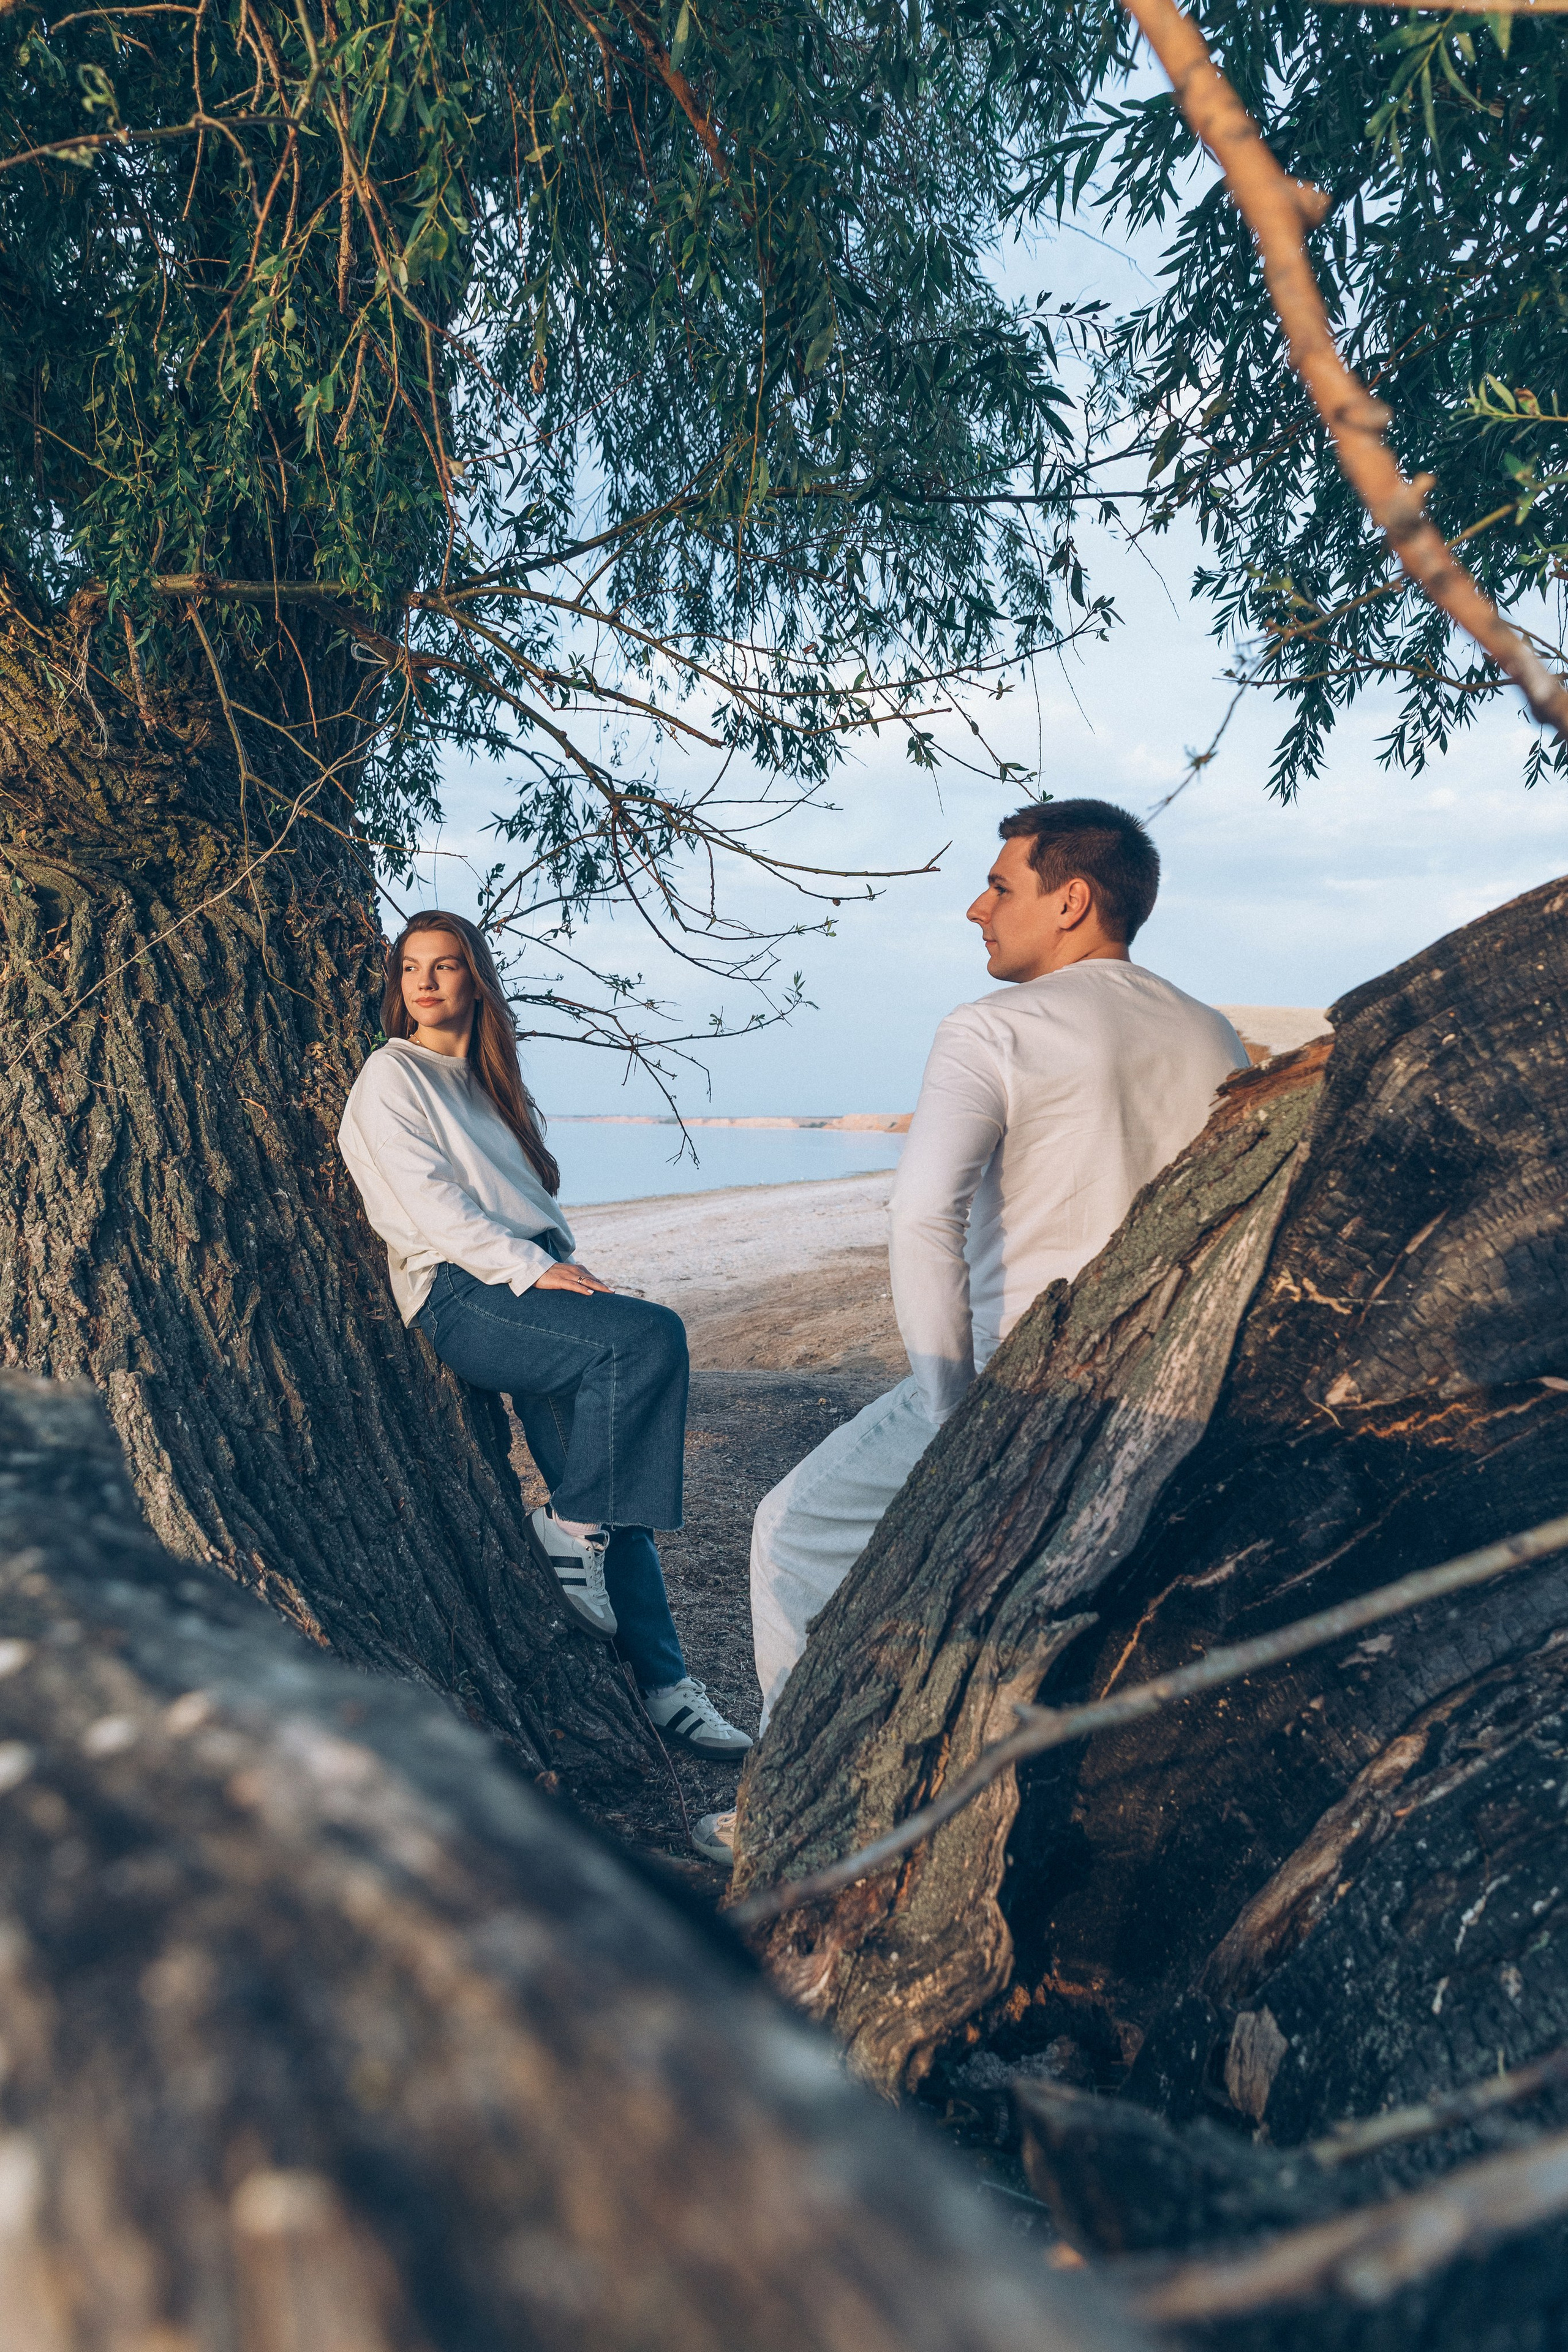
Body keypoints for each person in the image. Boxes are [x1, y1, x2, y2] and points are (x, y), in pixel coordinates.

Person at [692, 798, 1246, 1861]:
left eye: (1001, 886)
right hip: (1172, 1371)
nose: (974, 908)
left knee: (793, 1533)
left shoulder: (993, 1028)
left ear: (1072, 899)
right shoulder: (1210, 1032)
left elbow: (920, 1215)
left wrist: (954, 1413)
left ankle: (794, 1817)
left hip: (1023, 1375)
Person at [337, 908, 750, 1759]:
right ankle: (564, 1530)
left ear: (475, 979)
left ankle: (666, 1687)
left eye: (446, 965)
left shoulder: (493, 1089)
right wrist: (527, 1268)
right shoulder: (393, 1074)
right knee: (647, 1341)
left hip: (528, 1283)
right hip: (465, 1293)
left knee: (617, 1504)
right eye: (411, 966)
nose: (425, 980)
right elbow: (429, 1205)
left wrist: (549, 1268)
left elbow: (521, 1203)